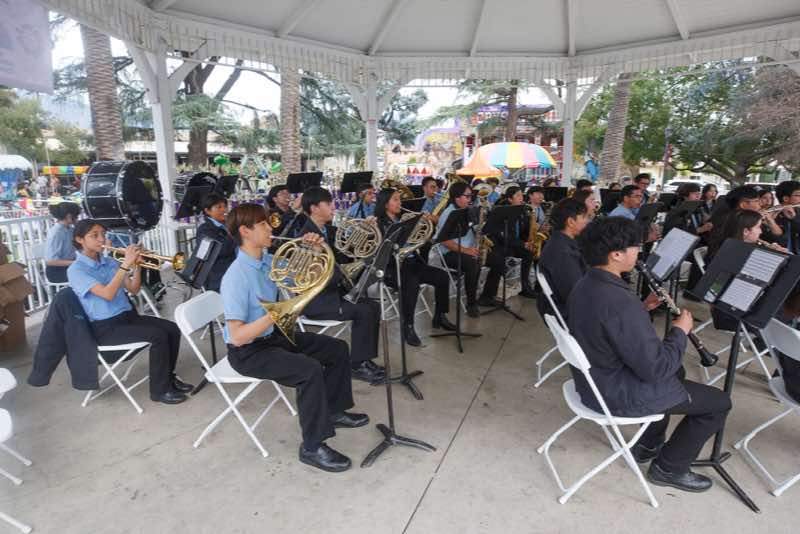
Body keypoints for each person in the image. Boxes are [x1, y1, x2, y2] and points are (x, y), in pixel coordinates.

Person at [568, 217, 732, 493]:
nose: (638, 252)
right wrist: (679, 332)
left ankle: (648, 444)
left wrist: (642, 308)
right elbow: (655, 369)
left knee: (678, 371)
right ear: (616, 254)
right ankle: (670, 468)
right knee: (719, 402)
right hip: (615, 392)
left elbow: (608, 328)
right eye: (636, 247)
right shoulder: (619, 302)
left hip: (595, 380)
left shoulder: (586, 284)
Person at [220, 204, 366, 473]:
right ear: (245, 231)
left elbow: (309, 272)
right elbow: (237, 336)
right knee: (308, 370)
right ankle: (312, 446)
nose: (270, 228)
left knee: (336, 348)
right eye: (263, 224)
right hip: (249, 352)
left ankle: (334, 410)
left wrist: (314, 249)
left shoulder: (266, 260)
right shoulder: (235, 277)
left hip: (274, 338)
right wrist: (276, 314)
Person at [67, 219, 191, 405]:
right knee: (157, 335)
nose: (102, 239)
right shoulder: (76, 270)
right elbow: (107, 294)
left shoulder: (109, 262)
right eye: (94, 235)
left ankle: (168, 377)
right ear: (80, 239)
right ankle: (159, 391)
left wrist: (137, 265)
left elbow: (134, 288)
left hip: (127, 317)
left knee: (172, 328)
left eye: (103, 234)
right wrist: (125, 264)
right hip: (105, 329)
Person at [300, 187, 384, 383]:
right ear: (314, 208)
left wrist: (366, 228)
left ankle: (364, 359)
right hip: (318, 301)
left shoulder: (328, 230)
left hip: (334, 293)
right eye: (328, 204)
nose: (333, 207)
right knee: (363, 311)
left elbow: (348, 250)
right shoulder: (306, 237)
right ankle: (357, 365)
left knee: (374, 306)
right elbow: (311, 277)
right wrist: (343, 273)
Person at [374, 188, 456, 346]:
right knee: (412, 283)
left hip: (411, 263)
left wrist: (422, 225)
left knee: (442, 276)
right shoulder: (378, 223)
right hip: (391, 268)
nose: (400, 203)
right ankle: (408, 326)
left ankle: (440, 316)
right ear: (385, 204)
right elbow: (378, 252)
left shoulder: (403, 219)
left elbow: (419, 241)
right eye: (395, 200)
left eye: (400, 199)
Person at [435, 182, 504, 317]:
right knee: (473, 263)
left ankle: (487, 296)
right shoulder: (448, 214)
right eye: (467, 196)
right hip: (450, 253)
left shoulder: (468, 210)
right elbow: (444, 241)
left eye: (470, 196)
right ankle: (471, 304)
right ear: (456, 198)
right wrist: (466, 251)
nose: (470, 199)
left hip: (469, 248)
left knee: (498, 260)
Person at [536, 199, 589, 320]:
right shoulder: (562, 253)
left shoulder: (563, 241)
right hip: (568, 312)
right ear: (570, 222)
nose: (587, 221)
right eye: (584, 217)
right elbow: (576, 295)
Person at [487, 186, 537, 298]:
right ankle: (492, 292)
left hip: (514, 245)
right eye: (518, 196)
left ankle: (525, 286)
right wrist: (523, 244)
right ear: (510, 199)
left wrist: (533, 231)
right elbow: (503, 237)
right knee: (499, 259)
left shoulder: (523, 212)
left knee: (529, 253)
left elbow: (525, 232)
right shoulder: (502, 213)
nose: (521, 198)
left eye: (522, 195)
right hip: (500, 246)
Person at [194, 192, 237, 292]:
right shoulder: (204, 230)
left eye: (225, 206)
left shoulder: (225, 224)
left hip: (234, 270)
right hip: (218, 277)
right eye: (219, 207)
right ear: (207, 211)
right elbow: (221, 250)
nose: (224, 210)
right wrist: (234, 231)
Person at [45, 202, 81, 283]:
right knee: (90, 274)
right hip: (57, 272)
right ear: (69, 216)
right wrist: (76, 262)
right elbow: (50, 261)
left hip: (69, 266)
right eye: (76, 216)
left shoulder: (70, 229)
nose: (77, 218)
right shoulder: (56, 233)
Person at [772, 181, 800, 255]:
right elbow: (778, 240)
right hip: (779, 255)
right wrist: (771, 221)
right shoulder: (773, 214)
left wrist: (795, 218)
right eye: (798, 195)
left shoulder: (798, 213)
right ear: (786, 198)